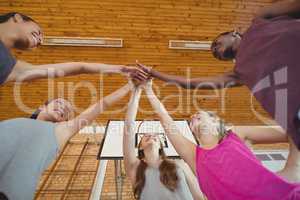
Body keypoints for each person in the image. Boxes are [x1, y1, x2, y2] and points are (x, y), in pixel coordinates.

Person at [135, 0, 300, 182]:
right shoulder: (239, 74)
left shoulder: (261, 20)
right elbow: (190, 83)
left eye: (216, 43)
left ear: (234, 33)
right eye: (215, 51)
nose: (214, 49)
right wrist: (155, 74)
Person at [143, 79, 300, 200]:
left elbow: (290, 133)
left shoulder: (236, 135)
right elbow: (164, 118)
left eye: (199, 115)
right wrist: (148, 88)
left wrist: (291, 170)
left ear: (216, 121)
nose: (193, 117)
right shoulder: (193, 156)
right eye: (192, 119)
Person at [0, 81, 134, 200]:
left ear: (65, 122)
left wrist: (130, 85)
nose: (63, 107)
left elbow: (102, 104)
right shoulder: (13, 122)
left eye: (67, 111)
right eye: (58, 102)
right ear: (42, 106)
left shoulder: (59, 131)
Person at [0, 12, 147, 85]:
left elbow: (80, 67)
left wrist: (121, 69)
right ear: (17, 18)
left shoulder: (11, 68)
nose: (40, 41)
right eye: (39, 32)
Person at [123, 81, 204, 200]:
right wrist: (136, 91)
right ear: (140, 147)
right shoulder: (134, 168)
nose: (151, 135)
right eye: (145, 136)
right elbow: (128, 127)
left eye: (155, 135)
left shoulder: (179, 164)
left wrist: (149, 89)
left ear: (161, 145)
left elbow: (199, 197)